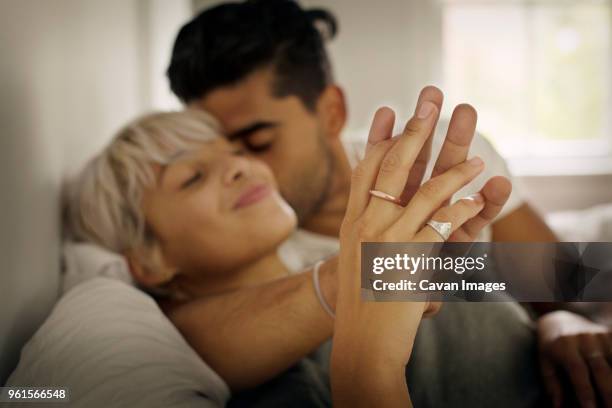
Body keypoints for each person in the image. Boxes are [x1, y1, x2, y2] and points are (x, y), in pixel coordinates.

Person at [166, 1, 612, 407]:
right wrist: (372, 272)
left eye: (258, 142)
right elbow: (179, 348)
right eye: (215, 150)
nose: (238, 169)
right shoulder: (242, 246)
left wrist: (562, 325)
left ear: (331, 112)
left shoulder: (446, 159)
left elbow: (568, 287)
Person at [65, 105, 512, 405]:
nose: (239, 166)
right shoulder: (277, 381)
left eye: (237, 152)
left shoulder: (345, 245)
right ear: (150, 260)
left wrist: (560, 320)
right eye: (193, 177)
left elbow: (572, 279)